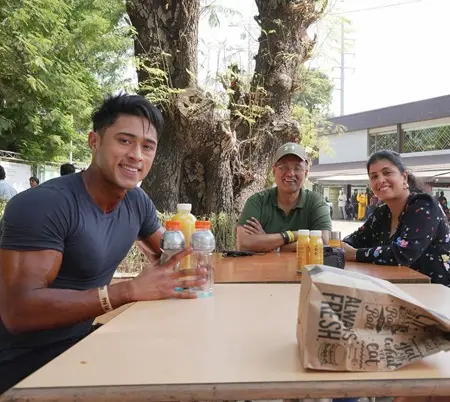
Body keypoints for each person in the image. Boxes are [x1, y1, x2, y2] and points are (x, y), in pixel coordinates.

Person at [0, 94, 207, 393]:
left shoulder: (136, 201)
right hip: (24, 363)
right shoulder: (43, 204)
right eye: (124, 141)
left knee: (188, 358)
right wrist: (128, 291)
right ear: (94, 141)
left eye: (147, 146)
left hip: (81, 344)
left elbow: (169, 255)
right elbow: (19, 312)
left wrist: (201, 263)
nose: (137, 154)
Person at [342, 150, 450, 287]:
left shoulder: (424, 205)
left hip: (437, 295)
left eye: (387, 173)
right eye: (374, 176)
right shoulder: (381, 213)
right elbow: (353, 241)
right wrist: (344, 248)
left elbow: (403, 254)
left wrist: (355, 254)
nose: (380, 180)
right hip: (396, 291)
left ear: (404, 177)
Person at [236, 142, 332, 252]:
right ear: (273, 171)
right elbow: (244, 244)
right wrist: (292, 235)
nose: (290, 173)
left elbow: (323, 243)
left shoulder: (316, 202)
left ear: (306, 173)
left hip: (304, 269)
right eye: (283, 167)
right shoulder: (257, 202)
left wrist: (268, 243)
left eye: (297, 168)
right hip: (263, 269)